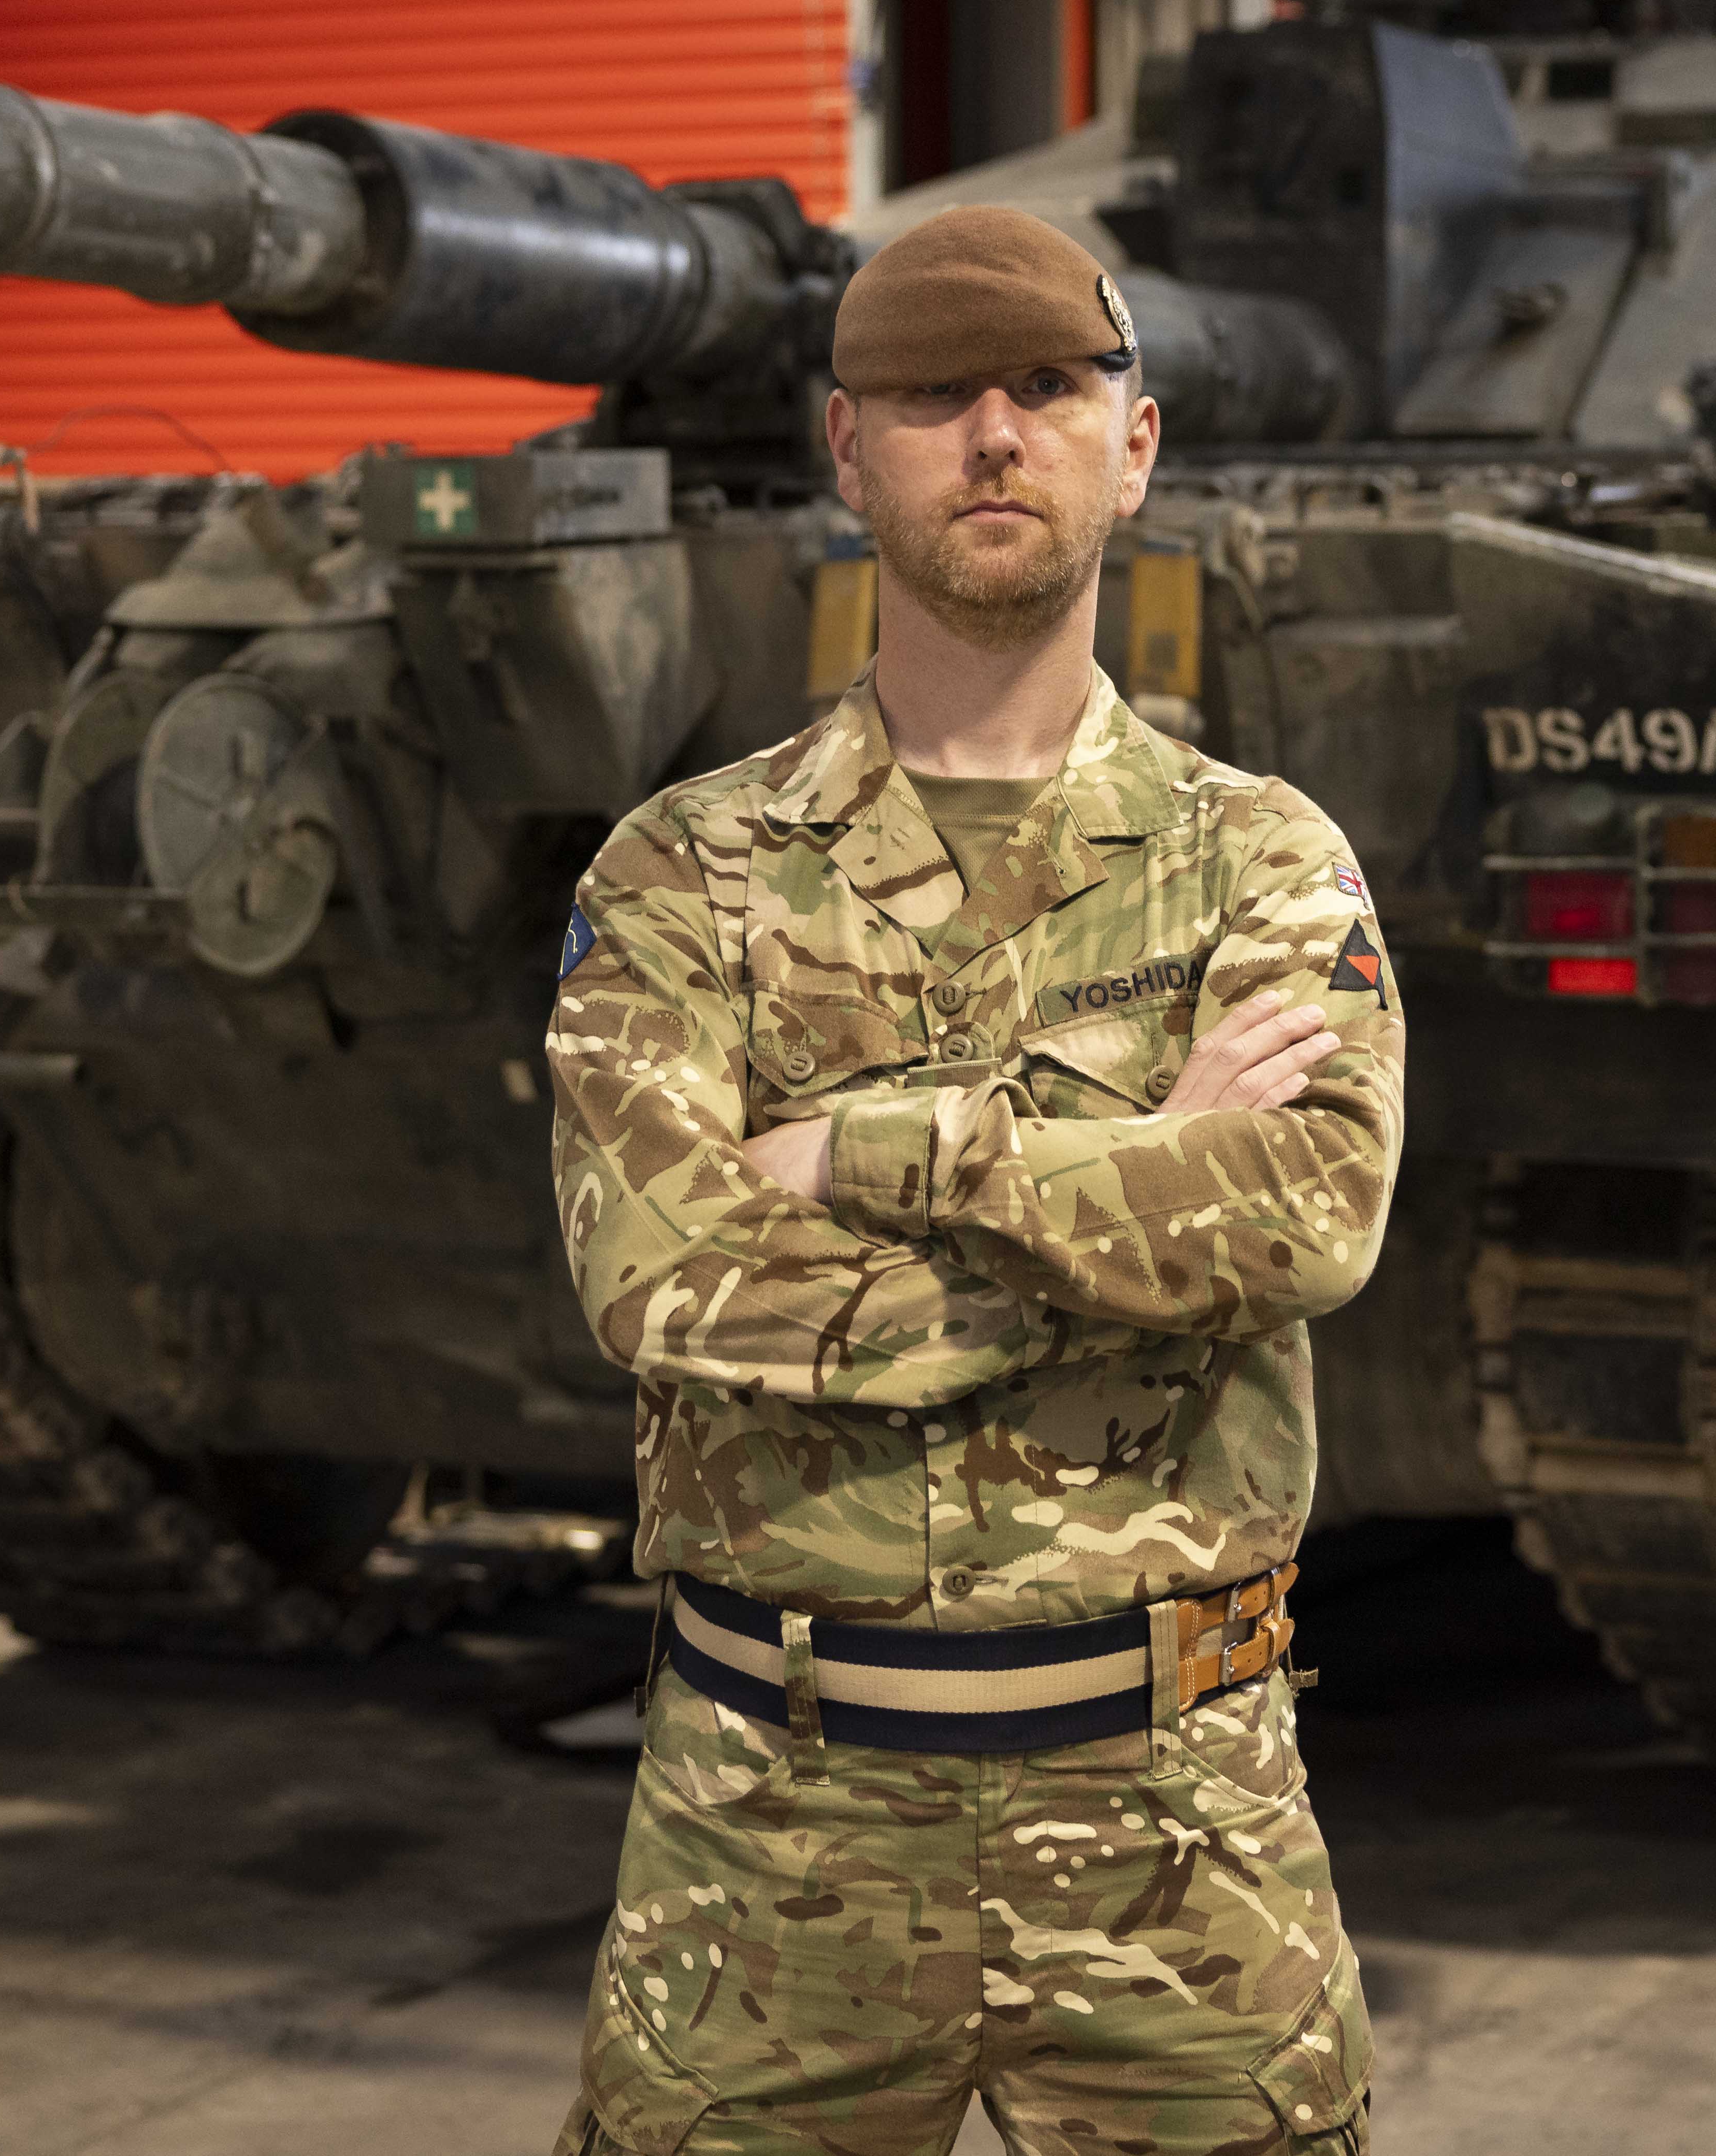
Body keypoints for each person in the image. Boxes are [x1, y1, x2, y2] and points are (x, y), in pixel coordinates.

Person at [543, 203, 1405, 2156]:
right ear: (848, 451)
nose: (995, 434)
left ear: (1138, 441)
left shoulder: (1259, 860)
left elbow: (1302, 1218)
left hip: (1179, 1832)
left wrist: (865, 1144)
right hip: (769, 1842)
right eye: (932, 395)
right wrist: (1143, 1174)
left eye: (1049, 387)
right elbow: (669, 1284)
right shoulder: (685, 872)